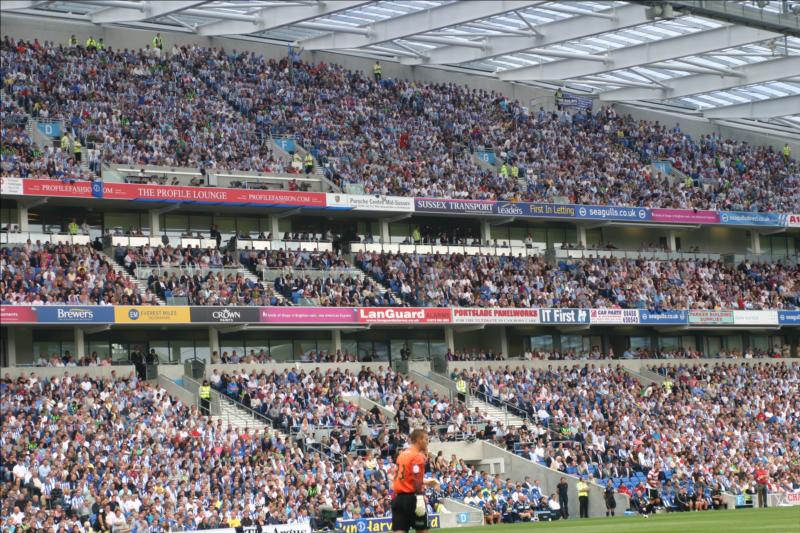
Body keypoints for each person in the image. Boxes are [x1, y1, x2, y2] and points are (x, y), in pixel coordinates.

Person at [391, 429, 440, 533]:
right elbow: (417, 481)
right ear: (419, 440)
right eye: (426, 439)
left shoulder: (402, 455)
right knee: (422, 530)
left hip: (398, 499)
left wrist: (428, 482)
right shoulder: (417, 456)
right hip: (412, 499)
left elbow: (403, 476)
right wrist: (420, 498)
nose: (428, 442)